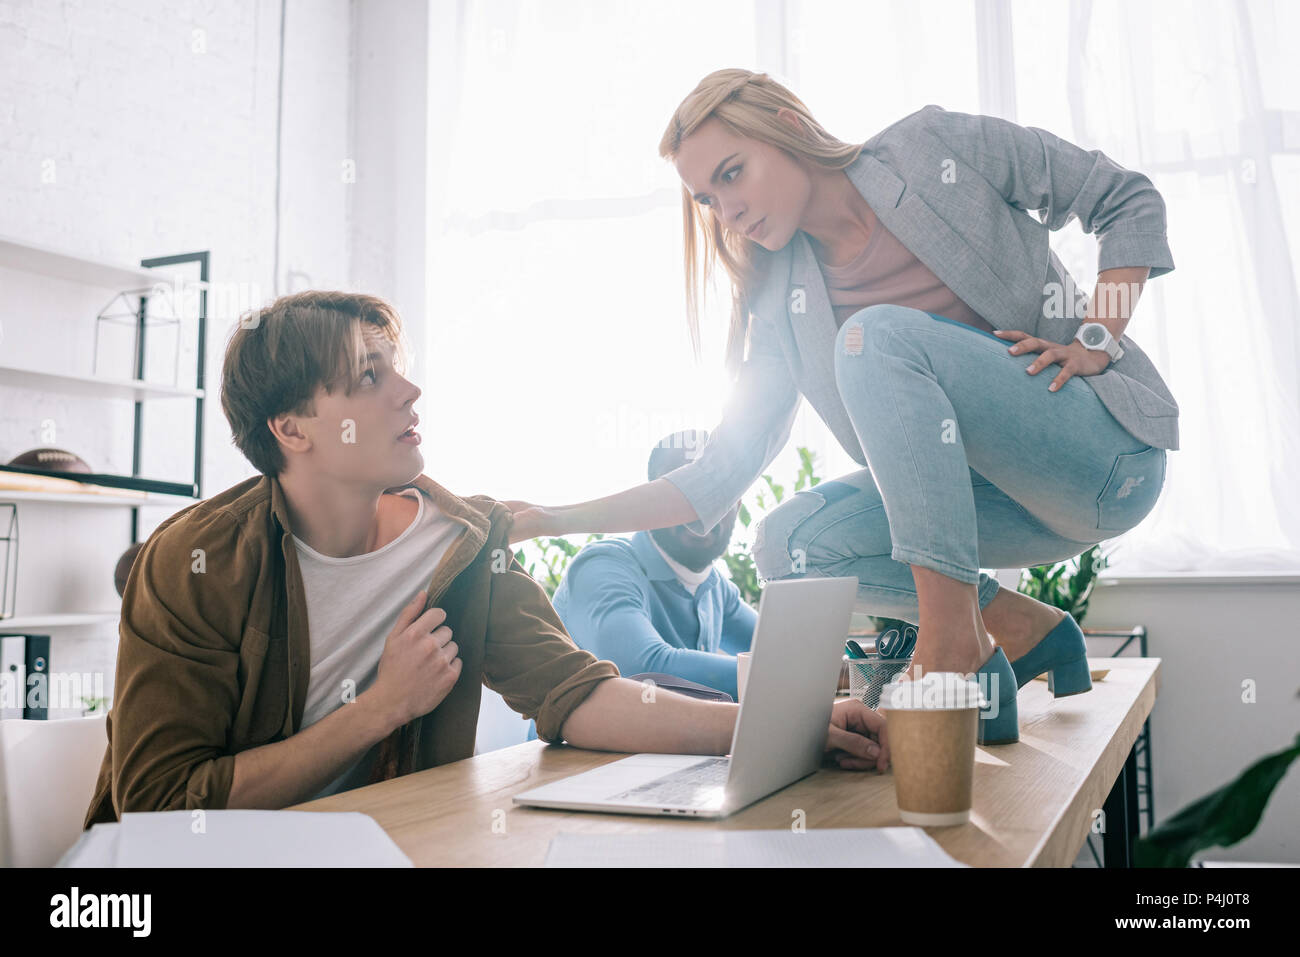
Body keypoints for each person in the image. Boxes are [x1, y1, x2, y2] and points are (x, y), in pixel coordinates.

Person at [506, 69, 1176, 747]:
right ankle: (1014, 629)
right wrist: (549, 519)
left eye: (733, 174)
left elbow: (1124, 197)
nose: (727, 210)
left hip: (1101, 461)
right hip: (998, 515)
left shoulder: (930, 148)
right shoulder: (779, 298)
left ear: (789, 128)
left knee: (871, 337)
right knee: (788, 544)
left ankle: (948, 646)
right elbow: (715, 476)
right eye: (709, 199)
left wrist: (1096, 336)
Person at [84, 291, 887, 827]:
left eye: (396, 366)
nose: (410, 391)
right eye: (370, 376)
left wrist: (776, 727)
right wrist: (377, 709)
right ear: (291, 429)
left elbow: (577, 694)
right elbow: (157, 803)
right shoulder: (190, 564)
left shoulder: (463, 543)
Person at [551, 430, 755, 701]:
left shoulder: (716, 588)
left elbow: (781, 648)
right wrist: (779, 672)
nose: (700, 509)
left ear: (737, 504)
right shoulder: (603, 567)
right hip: (581, 744)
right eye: (681, 492)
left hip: (683, 742)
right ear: (652, 501)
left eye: (718, 493)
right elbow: (642, 670)